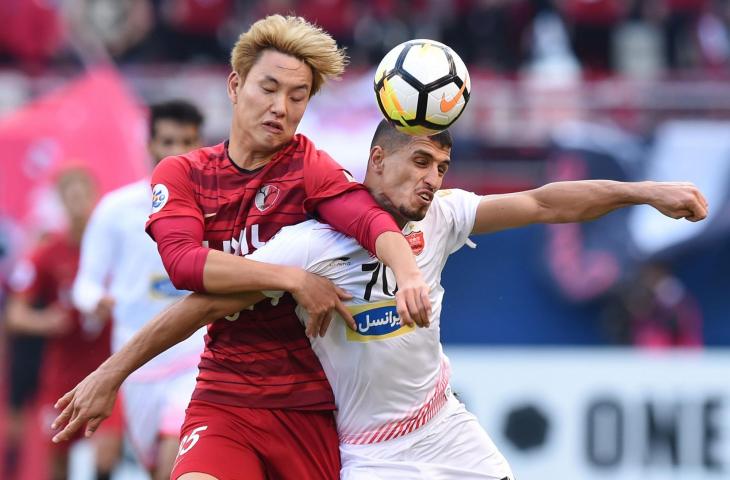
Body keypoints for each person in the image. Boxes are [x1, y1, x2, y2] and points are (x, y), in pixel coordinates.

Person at [51, 120, 709, 479]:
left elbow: (543, 203)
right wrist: (109, 375)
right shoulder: (307, 246)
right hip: (367, 450)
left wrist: (645, 190)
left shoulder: (442, 220)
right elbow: (197, 306)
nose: (432, 181)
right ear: (376, 160)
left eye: (441, 169)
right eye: (420, 163)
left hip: (445, 426)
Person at [55, 15, 431, 480]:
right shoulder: (183, 175)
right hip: (223, 393)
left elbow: (368, 220)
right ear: (235, 85)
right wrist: (292, 279)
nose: (281, 107)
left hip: (306, 403)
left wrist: (409, 273)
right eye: (268, 88)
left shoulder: (310, 168)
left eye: (297, 97)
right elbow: (184, 265)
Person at [71, 100, 204, 479]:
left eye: (186, 142)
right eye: (167, 141)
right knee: (145, 465)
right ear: (149, 146)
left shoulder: (214, 209)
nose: (176, 151)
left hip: (193, 359)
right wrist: (96, 301)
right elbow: (87, 281)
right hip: (136, 362)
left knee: (174, 461)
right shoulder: (116, 209)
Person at [6, 168, 123, 480]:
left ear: (95, 197)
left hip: (108, 368)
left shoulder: (114, 245)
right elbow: (15, 314)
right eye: (71, 197)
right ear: (60, 201)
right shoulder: (47, 253)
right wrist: (46, 321)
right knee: (58, 459)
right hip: (62, 374)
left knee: (106, 450)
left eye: (84, 195)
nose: (79, 204)